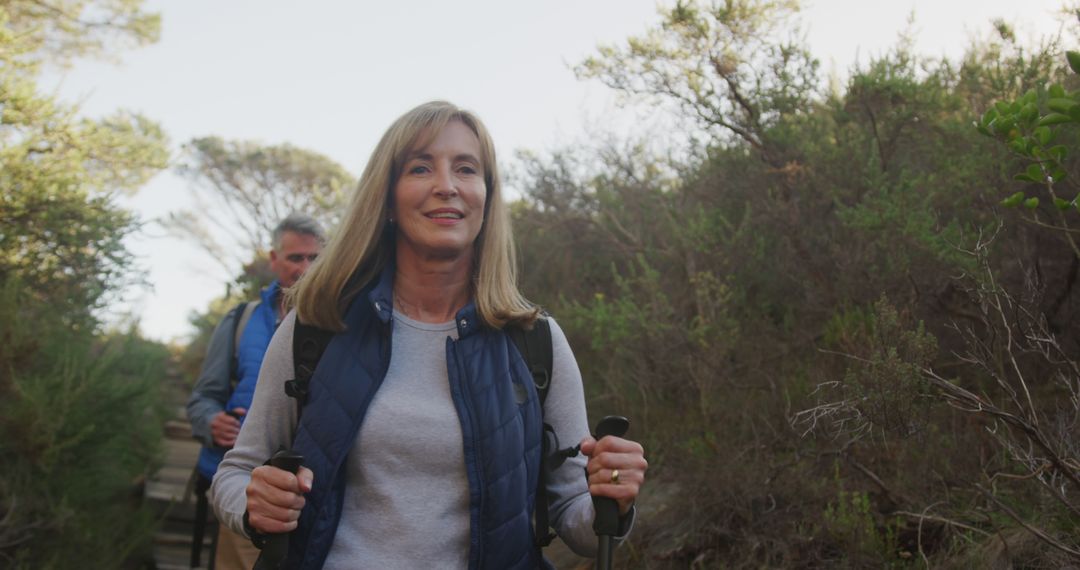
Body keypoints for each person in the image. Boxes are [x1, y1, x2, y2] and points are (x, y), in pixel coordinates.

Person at [210, 101, 648, 569]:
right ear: (388, 198)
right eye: (420, 168)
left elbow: (578, 520)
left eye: (466, 169)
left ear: (486, 195)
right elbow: (235, 474)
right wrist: (255, 505)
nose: (446, 186)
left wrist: (613, 493)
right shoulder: (317, 327)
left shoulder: (536, 341)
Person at [186, 212, 325, 569]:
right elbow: (204, 396)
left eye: (315, 257)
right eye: (296, 257)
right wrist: (211, 422)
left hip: (309, 504)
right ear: (274, 259)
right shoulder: (241, 320)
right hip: (240, 492)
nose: (306, 268)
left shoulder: (340, 323)